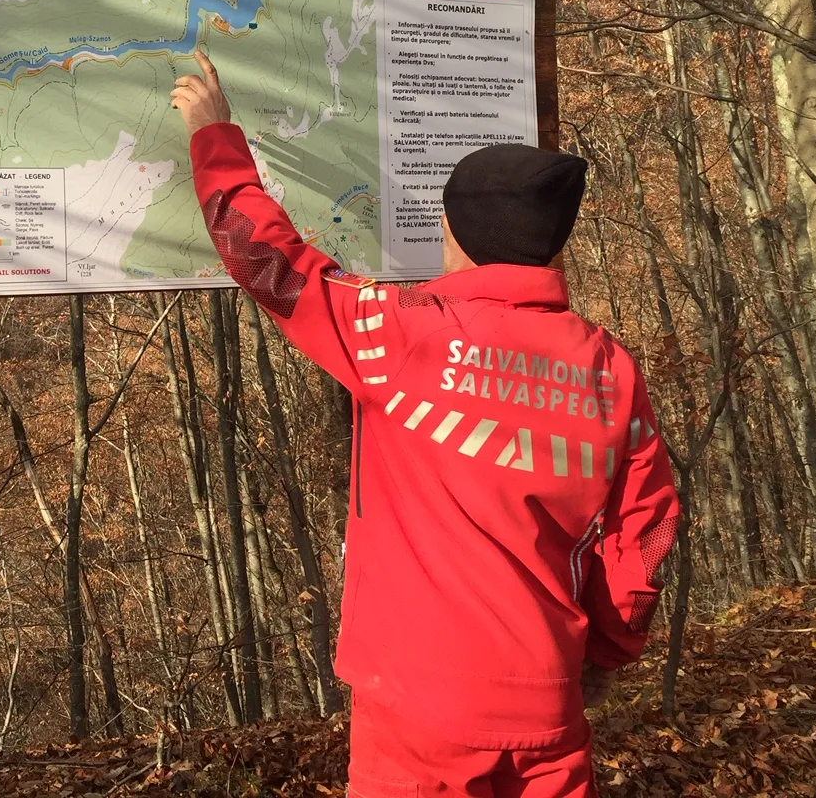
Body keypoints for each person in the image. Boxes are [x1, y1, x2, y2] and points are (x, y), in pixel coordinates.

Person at [170, 51, 679, 798]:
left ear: (453, 228)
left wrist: (215, 137)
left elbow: (269, 262)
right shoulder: (610, 369)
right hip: (549, 701)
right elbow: (648, 530)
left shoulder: (402, 334)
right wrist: (605, 647)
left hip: (419, 708)